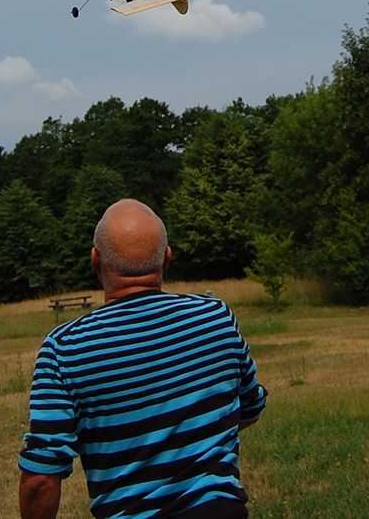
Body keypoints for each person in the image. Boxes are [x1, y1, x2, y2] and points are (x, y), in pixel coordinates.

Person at [19, 199, 267, 519]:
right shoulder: (217, 317)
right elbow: (250, 407)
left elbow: (41, 478)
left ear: (95, 261)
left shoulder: (63, 348)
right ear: (166, 258)